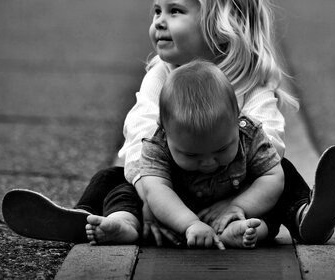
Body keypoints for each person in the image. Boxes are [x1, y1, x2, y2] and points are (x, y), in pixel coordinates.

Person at [2, 0, 335, 246]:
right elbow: (139, 133)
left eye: (175, 12)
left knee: (282, 176)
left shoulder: (250, 80)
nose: (159, 22)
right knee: (111, 180)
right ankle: (107, 220)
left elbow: (270, 145)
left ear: (223, 24)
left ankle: (303, 219)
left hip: (236, 190)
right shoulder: (162, 73)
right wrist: (153, 197)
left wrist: (236, 205)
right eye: (157, 11)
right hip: (165, 186)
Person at [83, 60, 284, 249]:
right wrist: (190, 224)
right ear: (164, 132)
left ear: (237, 118)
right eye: (192, 155)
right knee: (118, 187)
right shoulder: (157, 145)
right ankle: (123, 223)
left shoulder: (249, 134)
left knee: (276, 199)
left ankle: (242, 231)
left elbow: (272, 177)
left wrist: (238, 206)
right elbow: (156, 190)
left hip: (232, 204)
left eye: (221, 150)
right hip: (173, 213)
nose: (208, 163)